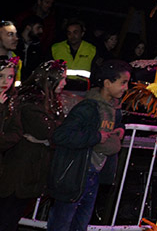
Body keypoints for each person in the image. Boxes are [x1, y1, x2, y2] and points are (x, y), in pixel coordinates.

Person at [46, 60, 131, 231]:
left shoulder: (114, 109)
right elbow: (61, 135)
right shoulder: (88, 107)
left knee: (80, 224)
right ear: (107, 83)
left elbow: (112, 126)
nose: (126, 88)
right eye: (123, 82)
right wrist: (96, 137)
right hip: (78, 173)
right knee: (62, 223)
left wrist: (120, 130)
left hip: (95, 174)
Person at [0, 60, 68, 230]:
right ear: (49, 80)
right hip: (16, 170)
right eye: (62, 79)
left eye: (10, 76)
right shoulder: (29, 100)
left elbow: (58, 132)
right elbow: (48, 131)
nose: (6, 81)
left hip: (27, 172)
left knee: (11, 217)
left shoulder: (15, 100)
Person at [0, 55, 20, 231]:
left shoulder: (11, 101)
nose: (6, 81)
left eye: (10, 76)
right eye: (1, 76)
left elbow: (16, 133)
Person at [51, 20, 96, 88]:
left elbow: (95, 72)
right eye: (69, 33)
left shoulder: (91, 49)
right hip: (60, 86)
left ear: (82, 33)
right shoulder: (56, 48)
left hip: (82, 88)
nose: (72, 36)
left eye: (75, 32)